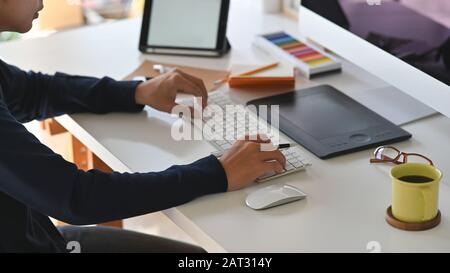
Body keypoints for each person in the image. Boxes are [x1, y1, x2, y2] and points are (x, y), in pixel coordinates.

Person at [0, 0, 286, 253]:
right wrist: (218, 173)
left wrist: (137, 92)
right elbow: (76, 197)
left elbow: (33, 92)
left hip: (39, 238)